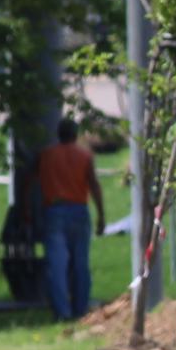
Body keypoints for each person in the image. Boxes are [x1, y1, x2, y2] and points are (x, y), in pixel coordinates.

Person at [30, 117, 105, 321]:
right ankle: (80, 309)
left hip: (54, 211)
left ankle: (62, 311)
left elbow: (30, 183)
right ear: (75, 134)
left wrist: (27, 212)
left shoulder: (46, 156)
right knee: (80, 263)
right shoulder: (84, 156)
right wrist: (101, 215)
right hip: (79, 211)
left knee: (57, 265)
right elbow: (94, 185)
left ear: (58, 134)